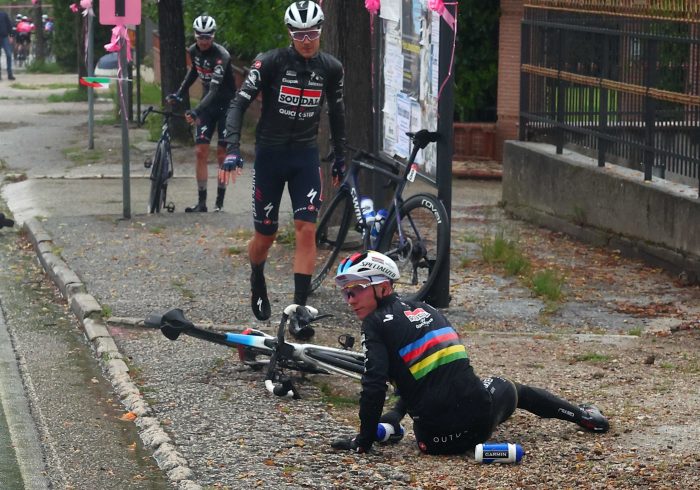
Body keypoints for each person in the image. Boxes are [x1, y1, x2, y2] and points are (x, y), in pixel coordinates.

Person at [330, 251, 610, 454]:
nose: (350, 300)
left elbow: (374, 386)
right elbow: (435, 375)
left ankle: (389, 429)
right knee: (511, 387)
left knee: (423, 394)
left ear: (383, 287)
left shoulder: (374, 324)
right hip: (480, 419)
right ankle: (584, 416)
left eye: (356, 290)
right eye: (346, 293)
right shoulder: (428, 310)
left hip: (432, 442)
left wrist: (363, 441)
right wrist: (395, 413)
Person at [223, 1, 346, 321]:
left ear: (321, 31)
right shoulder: (270, 62)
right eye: (299, 33)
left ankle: (299, 308)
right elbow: (238, 104)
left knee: (307, 229)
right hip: (270, 156)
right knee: (266, 235)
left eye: (313, 33)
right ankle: (256, 274)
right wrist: (232, 148)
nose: (307, 40)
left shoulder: (331, 68)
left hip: (305, 156)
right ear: (290, 33)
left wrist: (340, 154)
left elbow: (338, 111)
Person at [167, 15, 238, 213]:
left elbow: (214, 90)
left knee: (222, 154)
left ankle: (219, 202)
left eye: (208, 37)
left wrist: (196, 110)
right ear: (195, 36)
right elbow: (194, 73)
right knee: (200, 152)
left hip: (226, 105)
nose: (204, 41)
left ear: (213, 36)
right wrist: (179, 94)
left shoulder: (222, 55)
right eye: (201, 37)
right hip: (208, 106)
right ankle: (202, 202)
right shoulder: (192, 50)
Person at [0, 10, 15, 80]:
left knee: (9, 54)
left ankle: (10, 74)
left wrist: (11, 36)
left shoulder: (3, 14)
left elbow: (9, 25)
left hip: (5, 37)